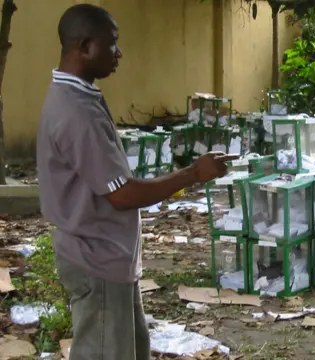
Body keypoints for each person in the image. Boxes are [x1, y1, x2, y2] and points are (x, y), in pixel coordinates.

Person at [36, 4, 237, 360]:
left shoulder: (79, 95)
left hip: (107, 256)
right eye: (112, 44)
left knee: (131, 348)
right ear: (85, 47)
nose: (119, 53)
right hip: (94, 258)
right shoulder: (76, 111)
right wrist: (192, 173)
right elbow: (123, 194)